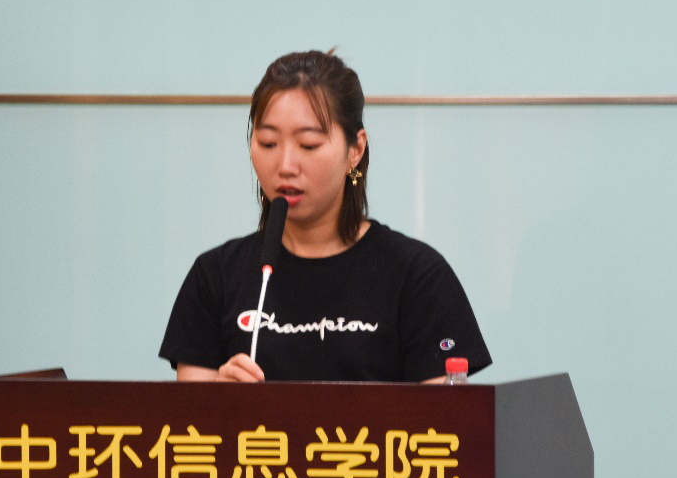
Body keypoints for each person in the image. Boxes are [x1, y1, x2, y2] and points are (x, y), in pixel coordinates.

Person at [159, 49, 490, 383]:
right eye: (268, 143)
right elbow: (188, 412)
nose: (285, 166)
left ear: (355, 149)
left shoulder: (418, 276)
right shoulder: (215, 276)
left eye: (309, 145)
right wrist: (219, 398)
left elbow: (445, 413)